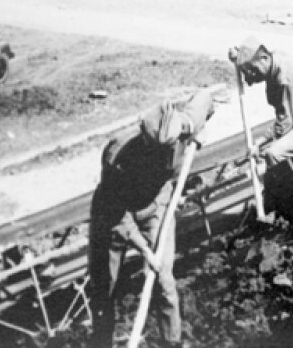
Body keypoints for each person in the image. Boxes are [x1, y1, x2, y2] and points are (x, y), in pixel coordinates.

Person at [88, 90, 216, 348]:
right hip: (114, 214)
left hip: (155, 205)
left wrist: (199, 135)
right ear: (146, 142)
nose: (165, 156)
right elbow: (117, 215)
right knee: (105, 290)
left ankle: (172, 342)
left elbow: (205, 98)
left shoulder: (182, 125)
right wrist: (146, 251)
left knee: (163, 279)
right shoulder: (117, 154)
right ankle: (101, 342)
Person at [230, 41, 293, 210]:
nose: (251, 76)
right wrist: (237, 56)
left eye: (252, 70)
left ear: (263, 58)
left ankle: (291, 204)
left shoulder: (284, 79)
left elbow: (285, 123)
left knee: (273, 154)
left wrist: (259, 143)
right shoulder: (274, 59)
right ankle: (283, 199)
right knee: (271, 156)